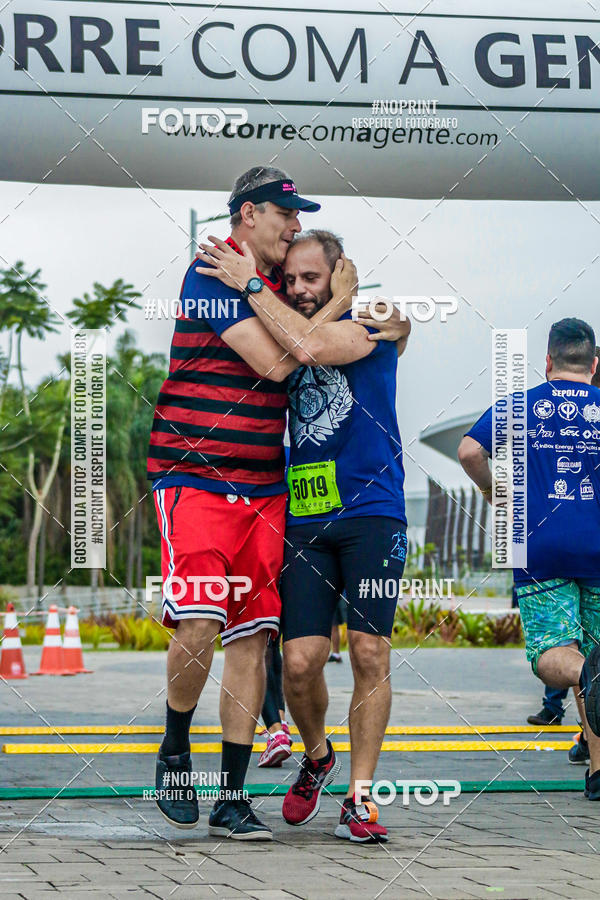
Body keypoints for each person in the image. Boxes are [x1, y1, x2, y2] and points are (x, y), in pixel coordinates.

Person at [147, 165, 354, 839]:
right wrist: (327, 305)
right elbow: (277, 362)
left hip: (265, 486)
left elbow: (309, 342)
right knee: (200, 619)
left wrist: (320, 306)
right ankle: (175, 750)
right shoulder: (213, 271)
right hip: (195, 477)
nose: (294, 226)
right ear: (247, 214)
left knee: (252, 636)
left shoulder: (268, 286)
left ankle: (231, 799)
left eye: (297, 216)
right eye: (285, 214)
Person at [198, 228, 411, 841]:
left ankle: (360, 800)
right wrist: (280, 294)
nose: (297, 289)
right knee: (297, 663)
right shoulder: (282, 328)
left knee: (369, 652)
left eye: (311, 278)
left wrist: (258, 286)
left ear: (342, 272)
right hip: (305, 520)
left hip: (374, 513)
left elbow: (315, 344)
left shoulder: (371, 321)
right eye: (289, 279)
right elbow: (296, 343)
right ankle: (318, 757)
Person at [458, 318, 600, 800]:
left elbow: (470, 451)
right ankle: (598, 771)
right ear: (594, 364)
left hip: (540, 547)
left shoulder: (521, 405)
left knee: (557, 656)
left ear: (548, 361)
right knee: (593, 654)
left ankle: (589, 684)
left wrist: (494, 491)